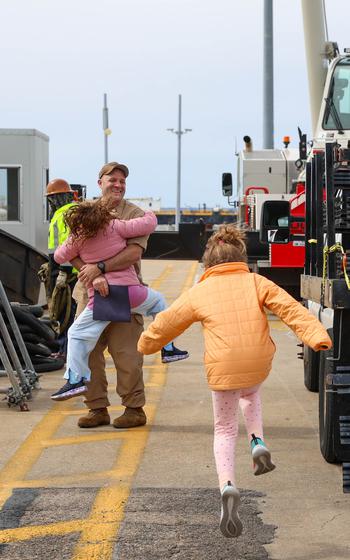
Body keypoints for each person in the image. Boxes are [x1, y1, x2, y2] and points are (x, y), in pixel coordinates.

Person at [137, 224, 332, 538]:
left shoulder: (200, 290)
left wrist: (145, 344)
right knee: (251, 394)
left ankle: (227, 485)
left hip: (223, 367)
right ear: (241, 256)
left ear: (209, 263)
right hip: (257, 362)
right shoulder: (257, 282)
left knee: (225, 428)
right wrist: (317, 337)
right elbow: (291, 310)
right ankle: (257, 442)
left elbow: (167, 323)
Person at [67, 162, 186, 430]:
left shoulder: (133, 214)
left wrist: (101, 268)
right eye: (113, 180)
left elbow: (134, 253)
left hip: (124, 294)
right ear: (100, 182)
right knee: (89, 353)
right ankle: (97, 408)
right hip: (90, 294)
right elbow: (70, 251)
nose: (118, 185)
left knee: (127, 354)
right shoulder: (85, 212)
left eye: (122, 181)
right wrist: (94, 277)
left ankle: (134, 409)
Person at [50, 197, 189, 401]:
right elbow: (148, 223)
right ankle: (168, 349)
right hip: (133, 293)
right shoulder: (115, 226)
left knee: (77, 334)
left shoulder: (77, 237)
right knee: (159, 304)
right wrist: (149, 213)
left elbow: (59, 257)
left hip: (104, 298)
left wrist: (73, 238)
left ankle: (76, 379)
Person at [46, 178, 78, 360]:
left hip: (67, 275)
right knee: (63, 312)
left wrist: (64, 272)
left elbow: (69, 245)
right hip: (60, 270)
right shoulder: (62, 213)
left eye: (53, 198)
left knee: (66, 313)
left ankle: (65, 351)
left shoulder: (67, 214)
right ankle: (63, 349)